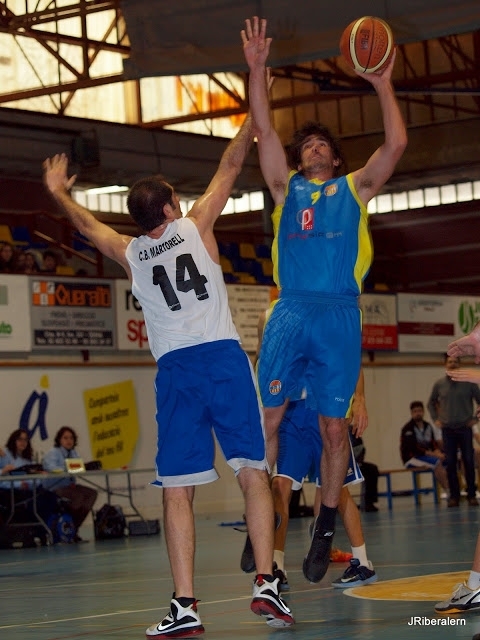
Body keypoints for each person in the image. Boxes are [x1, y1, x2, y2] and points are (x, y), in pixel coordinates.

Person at [42, 114, 294, 638]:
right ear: (170, 208)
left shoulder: (131, 252)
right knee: (253, 472)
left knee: (177, 490)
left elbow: (87, 227)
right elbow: (230, 165)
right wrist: (252, 118)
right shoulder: (195, 224)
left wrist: (58, 191)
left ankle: (185, 605)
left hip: (176, 372)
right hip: (222, 360)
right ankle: (266, 581)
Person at [241, 16, 407, 584]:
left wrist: (382, 83)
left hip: (338, 312)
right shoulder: (285, 190)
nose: (313, 148)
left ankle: (327, 524)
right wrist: (257, 69)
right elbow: (265, 132)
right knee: (267, 417)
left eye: (322, 145)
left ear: (335, 159)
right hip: (290, 309)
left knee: (335, 432)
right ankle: (260, 514)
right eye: (306, 145)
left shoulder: (354, 188)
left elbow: (396, 144)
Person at [427, 355, 480, 507]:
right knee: (450, 463)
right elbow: (431, 403)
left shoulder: (469, 384)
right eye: (450, 362)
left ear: (459, 364)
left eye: (455, 362)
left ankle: (471, 495)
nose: (453, 364)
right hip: (448, 430)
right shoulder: (439, 384)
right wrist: (436, 419)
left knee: (468, 461)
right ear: (446, 364)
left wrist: (475, 419)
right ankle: (454, 496)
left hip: (465, 428)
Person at [42, 426, 98, 541]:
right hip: (54, 487)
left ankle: (74, 527)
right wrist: (68, 468)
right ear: (59, 440)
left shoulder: (73, 453)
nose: (69, 441)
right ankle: (68, 527)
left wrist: (89, 467)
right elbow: (51, 468)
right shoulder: (53, 453)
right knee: (78, 497)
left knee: (92, 494)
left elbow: (79, 467)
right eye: (65, 438)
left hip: (70, 486)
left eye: (71, 438)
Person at [0, 429, 58, 525]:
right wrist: (19, 484)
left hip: (28, 489)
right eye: (20, 439)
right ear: (13, 440)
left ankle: (43, 527)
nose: (23, 442)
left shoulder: (27, 459)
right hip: (10, 491)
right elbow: (2, 480)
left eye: (25, 440)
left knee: (51, 497)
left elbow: (31, 477)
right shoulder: (4, 455)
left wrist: (38, 475)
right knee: (39, 501)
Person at [400, 400, 449, 496]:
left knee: (446, 461)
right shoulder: (408, 429)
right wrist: (434, 454)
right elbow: (414, 449)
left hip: (425, 457)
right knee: (436, 462)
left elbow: (433, 444)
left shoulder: (428, 426)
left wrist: (438, 453)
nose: (417, 413)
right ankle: (448, 491)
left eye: (419, 411)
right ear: (411, 413)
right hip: (412, 458)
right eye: (415, 411)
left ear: (423, 412)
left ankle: (455, 488)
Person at [350, 428, 380, 512]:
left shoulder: (355, 433)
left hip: (355, 465)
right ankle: (337, 505)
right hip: (340, 467)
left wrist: (358, 461)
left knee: (372, 469)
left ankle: (368, 502)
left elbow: (362, 450)